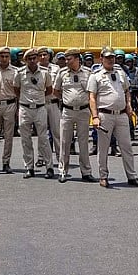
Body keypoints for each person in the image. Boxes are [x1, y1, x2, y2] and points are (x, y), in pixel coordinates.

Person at [88, 47, 138, 188]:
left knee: (126, 146)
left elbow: (126, 90)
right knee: (103, 148)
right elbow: (92, 98)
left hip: (121, 115)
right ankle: (103, 176)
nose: (111, 59)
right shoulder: (96, 75)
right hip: (104, 115)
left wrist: (129, 105)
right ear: (101, 59)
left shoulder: (120, 73)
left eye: (112, 57)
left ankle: (132, 176)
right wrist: (94, 116)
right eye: (107, 57)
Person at [54, 48, 96, 183]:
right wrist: (67, 100)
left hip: (84, 111)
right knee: (65, 142)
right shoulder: (62, 73)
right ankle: (62, 171)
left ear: (77, 59)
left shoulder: (88, 73)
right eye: (65, 59)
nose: (66, 61)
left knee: (83, 142)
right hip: (67, 111)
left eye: (69, 58)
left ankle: (86, 172)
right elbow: (56, 91)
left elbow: (92, 93)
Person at [13, 48, 53, 179]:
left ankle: (49, 167)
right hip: (25, 108)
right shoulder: (19, 73)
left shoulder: (45, 73)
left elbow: (48, 90)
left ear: (37, 59)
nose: (32, 61)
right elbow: (16, 90)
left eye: (34, 58)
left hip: (40, 108)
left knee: (44, 139)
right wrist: (26, 100)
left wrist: (38, 99)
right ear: (25, 60)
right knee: (26, 140)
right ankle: (29, 167)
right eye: (29, 59)